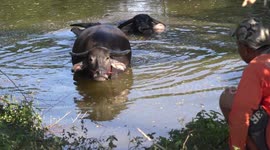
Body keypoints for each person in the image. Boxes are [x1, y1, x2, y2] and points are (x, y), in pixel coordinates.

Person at [219, 18, 270, 150]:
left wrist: (236, 147)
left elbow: (240, 117)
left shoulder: (256, 67)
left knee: (227, 98)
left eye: (238, 46)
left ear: (246, 49)